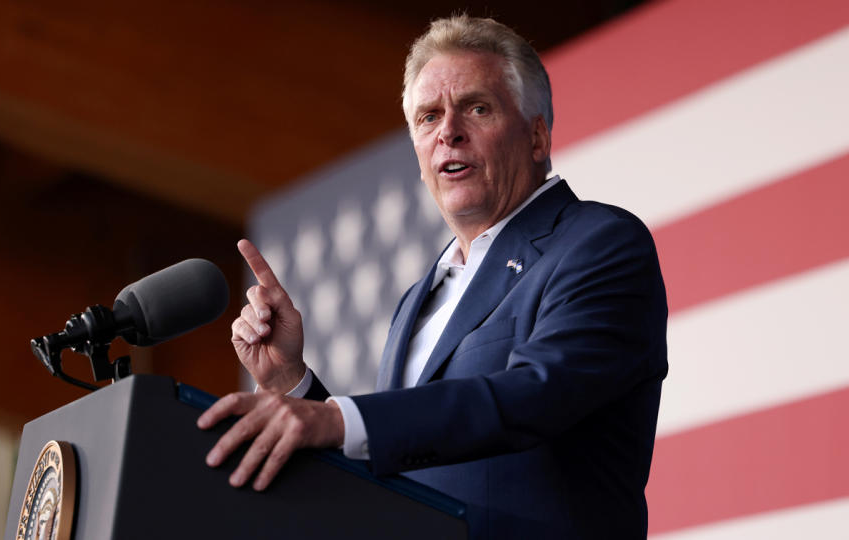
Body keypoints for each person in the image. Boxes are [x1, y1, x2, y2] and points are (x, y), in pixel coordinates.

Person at [197, 15, 668, 539]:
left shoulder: (599, 242)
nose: (448, 131)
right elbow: (391, 478)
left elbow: (534, 397)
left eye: (476, 107)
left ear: (537, 136)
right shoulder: (417, 298)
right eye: (427, 117)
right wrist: (292, 382)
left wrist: (336, 417)